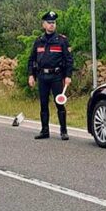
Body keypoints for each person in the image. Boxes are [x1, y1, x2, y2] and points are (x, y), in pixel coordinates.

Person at [27, 10, 73, 140]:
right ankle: (44, 131)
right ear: (44, 25)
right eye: (49, 22)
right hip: (42, 76)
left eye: (54, 22)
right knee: (43, 104)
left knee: (59, 104)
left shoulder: (62, 41)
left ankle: (63, 131)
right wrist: (31, 75)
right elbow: (32, 59)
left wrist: (68, 76)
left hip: (57, 76)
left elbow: (69, 59)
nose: (52, 25)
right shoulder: (39, 41)